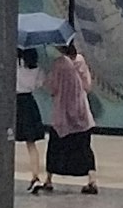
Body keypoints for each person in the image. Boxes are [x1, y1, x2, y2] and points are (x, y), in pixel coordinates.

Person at [38, 37, 100, 195]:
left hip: (62, 112)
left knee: (55, 146)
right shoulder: (80, 60)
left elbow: (52, 87)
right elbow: (88, 86)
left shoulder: (59, 64)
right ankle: (92, 180)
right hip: (81, 111)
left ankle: (49, 180)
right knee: (84, 147)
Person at [14, 40, 53, 192]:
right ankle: (35, 176)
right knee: (31, 143)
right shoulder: (36, 69)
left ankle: (3, 173)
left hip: (14, 102)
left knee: (7, 139)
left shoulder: (13, 65)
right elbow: (40, 84)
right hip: (29, 102)